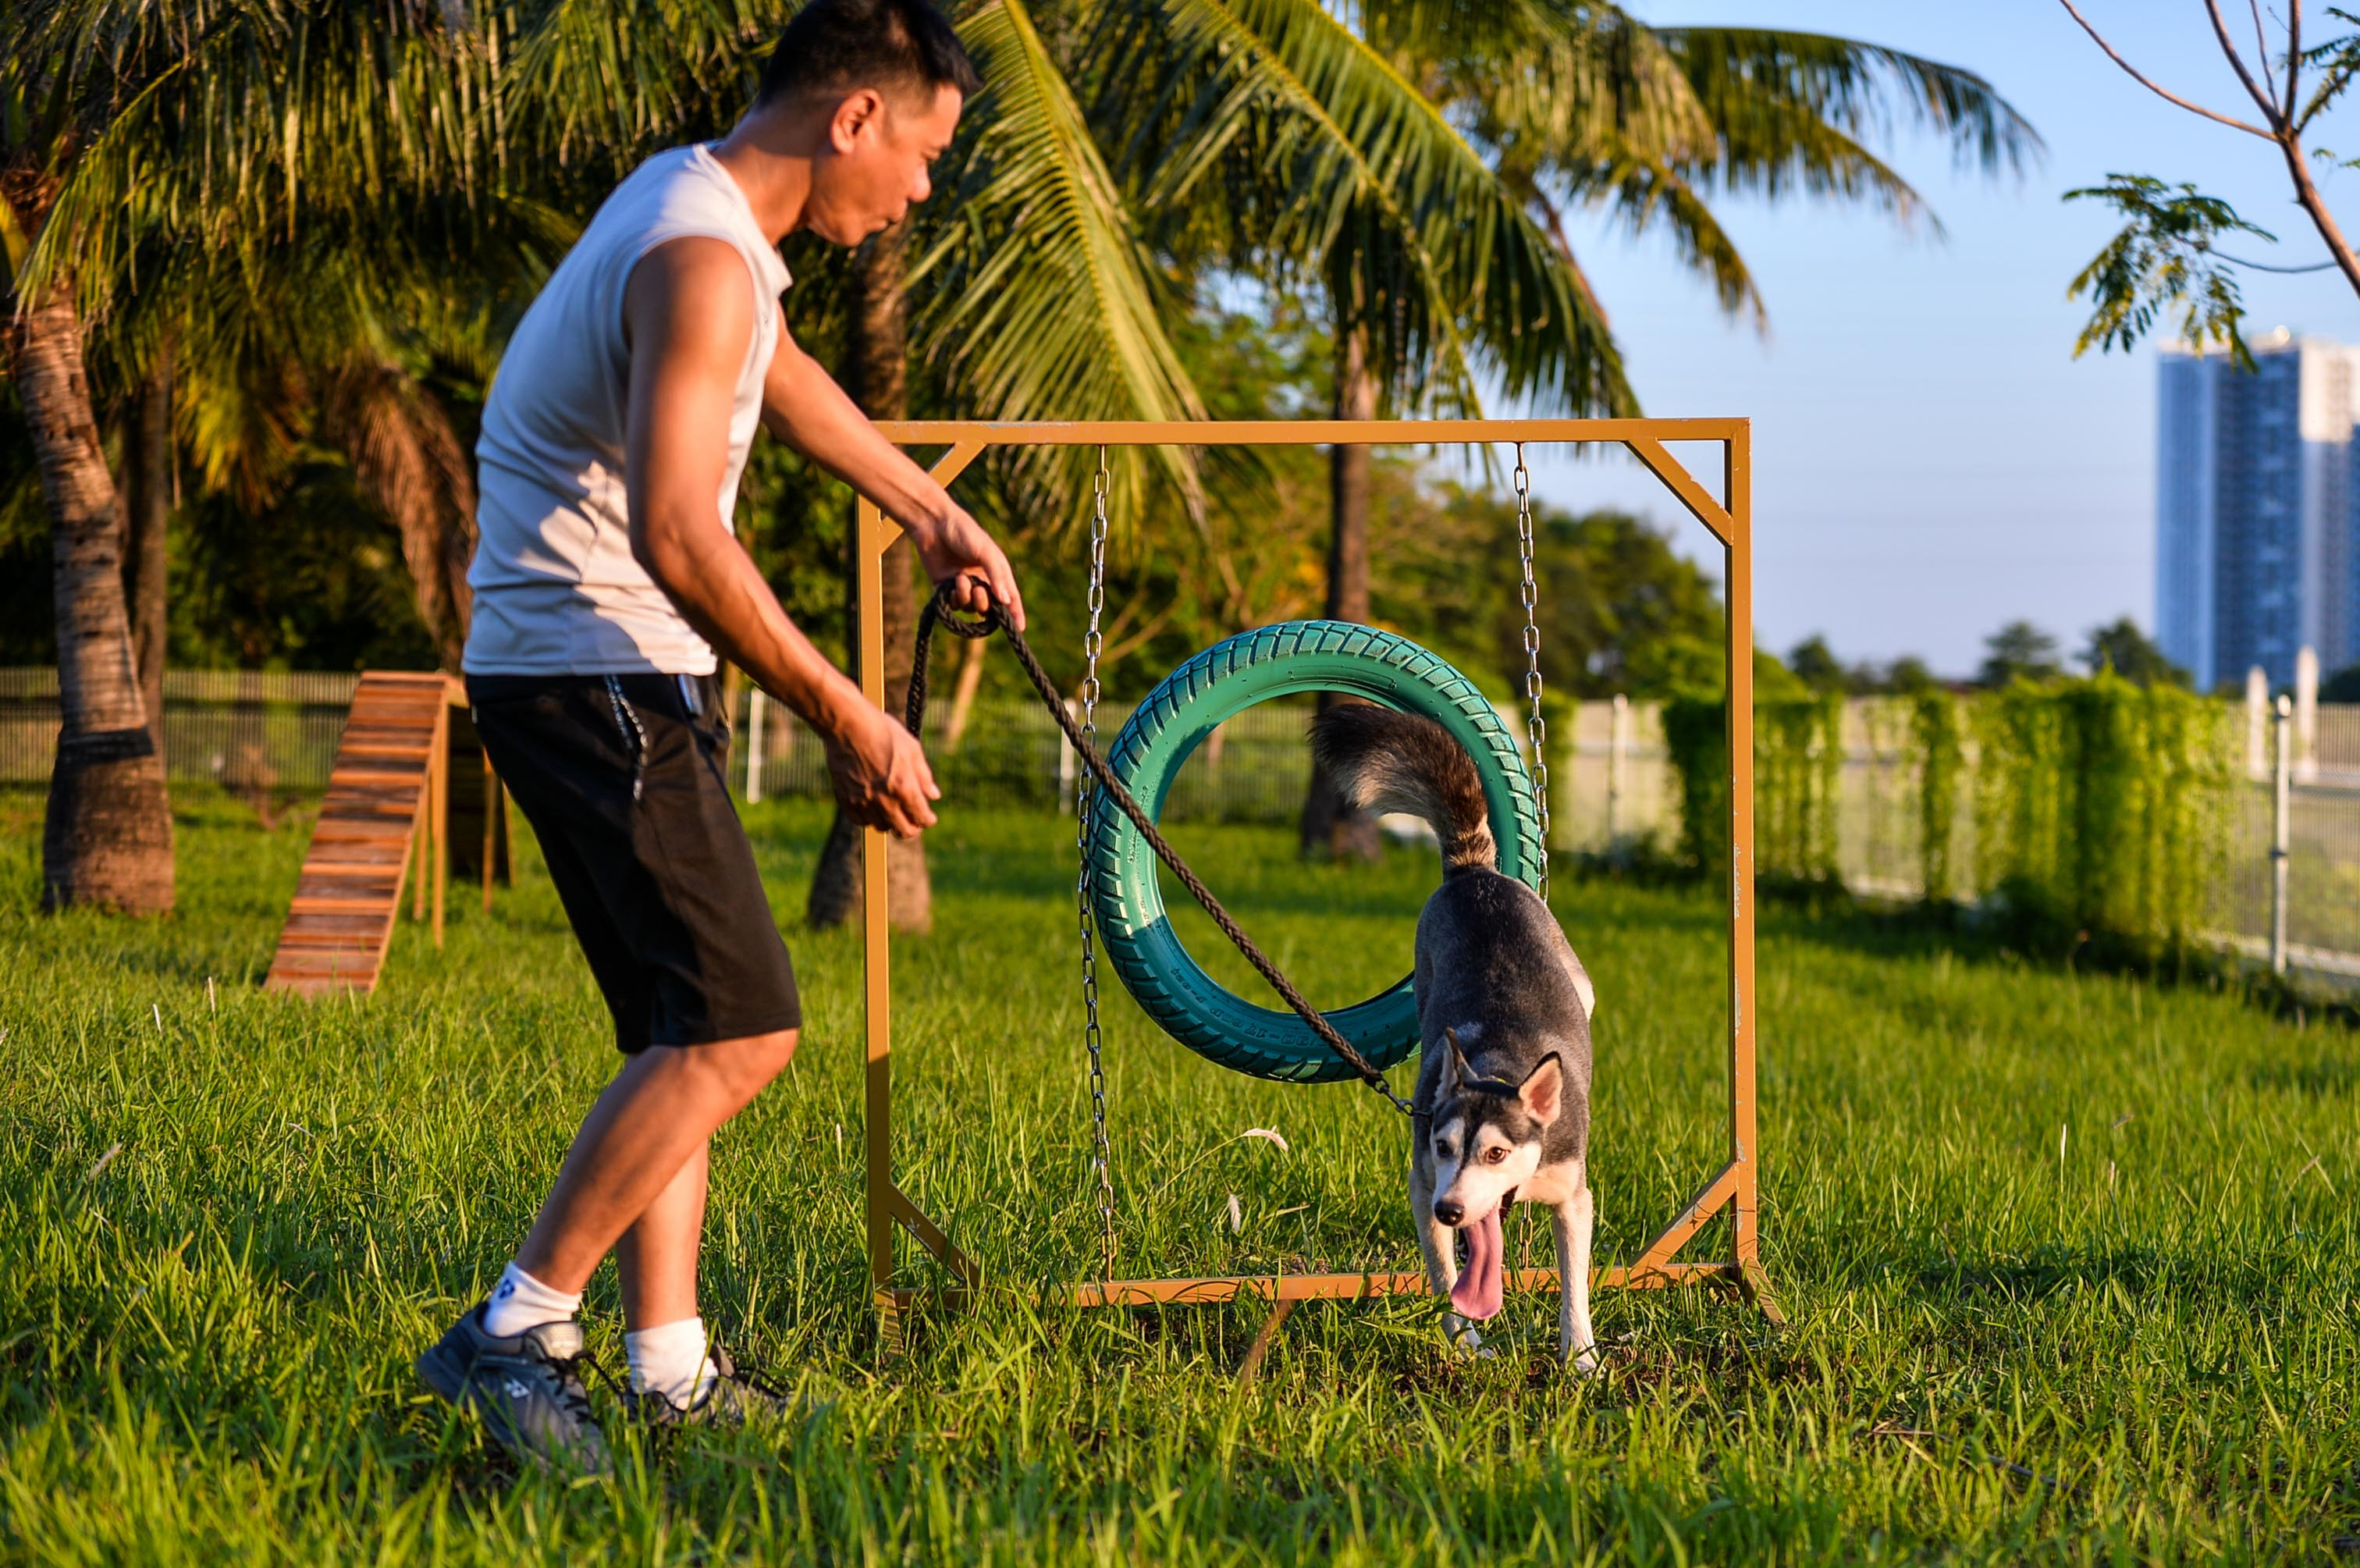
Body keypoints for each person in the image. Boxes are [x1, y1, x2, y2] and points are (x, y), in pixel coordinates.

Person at [414, 0, 1018, 1473]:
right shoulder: (699, 256)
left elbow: (778, 375)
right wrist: (853, 714)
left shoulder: (708, 219)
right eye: (928, 154)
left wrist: (930, 509)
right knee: (745, 1026)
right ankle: (511, 1332)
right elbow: (679, 532)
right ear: (854, 118)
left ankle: (667, 1362)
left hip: (582, 661)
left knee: (685, 1029)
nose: (925, 191)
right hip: (595, 662)